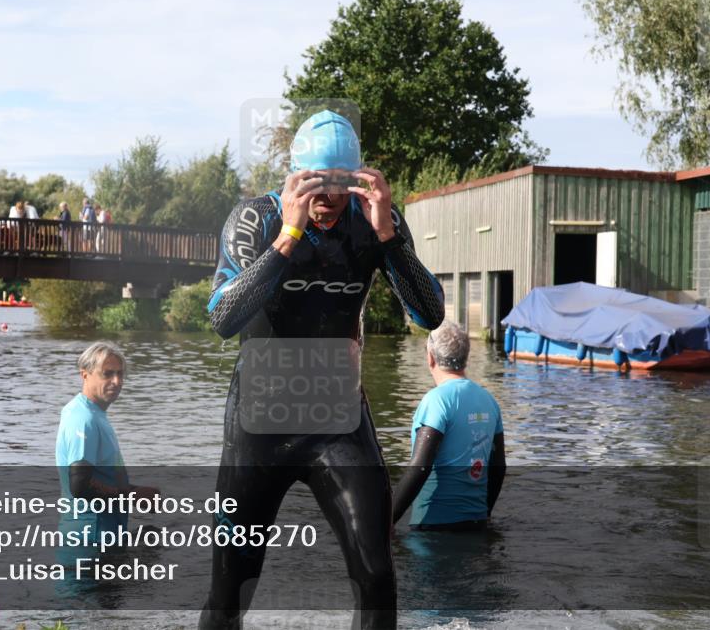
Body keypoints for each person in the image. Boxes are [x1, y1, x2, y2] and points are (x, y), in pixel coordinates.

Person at [200, 110, 445, 629]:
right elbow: (223, 318)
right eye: (316, 185)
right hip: (259, 425)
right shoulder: (255, 218)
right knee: (231, 587)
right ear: (295, 177)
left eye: (341, 185)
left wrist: (389, 241)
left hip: (337, 420)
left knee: (377, 573)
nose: (328, 199)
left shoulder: (376, 219)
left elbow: (430, 315)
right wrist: (287, 237)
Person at [391, 321, 507, 530]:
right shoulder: (489, 401)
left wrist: (386, 521)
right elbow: (498, 468)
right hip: (476, 522)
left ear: (430, 357)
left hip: (433, 525)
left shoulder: (437, 401)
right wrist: (485, 513)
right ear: (466, 357)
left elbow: (420, 467)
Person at [54, 342, 158, 567]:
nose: (117, 381)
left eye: (120, 374)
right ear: (85, 375)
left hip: (102, 541)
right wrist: (131, 497)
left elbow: (99, 478)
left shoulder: (94, 413)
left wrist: (136, 491)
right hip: (88, 544)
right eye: (107, 374)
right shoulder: (83, 418)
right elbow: (80, 486)